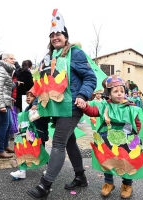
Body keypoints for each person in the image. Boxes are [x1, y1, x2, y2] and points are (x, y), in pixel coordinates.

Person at [26, 9, 97, 199]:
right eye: (52, 35)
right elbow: (43, 81)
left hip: (72, 106)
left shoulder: (76, 54)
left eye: (59, 34)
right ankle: (81, 176)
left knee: (58, 143)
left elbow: (90, 78)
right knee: (70, 141)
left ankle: (45, 186)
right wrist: (33, 93)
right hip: (56, 107)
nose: (55, 37)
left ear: (66, 37)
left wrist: (83, 95)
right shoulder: (49, 58)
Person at [79, 75, 143, 199]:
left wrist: (136, 135)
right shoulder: (105, 106)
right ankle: (108, 182)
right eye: (115, 91)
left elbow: (138, 123)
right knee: (108, 159)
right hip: (108, 139)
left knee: (126, 161)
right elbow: (93, 111)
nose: (119, 94)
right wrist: (84, 106)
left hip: (126, 140)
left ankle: (127, 184)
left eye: (122, 91)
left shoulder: (131, 107)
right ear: (109, 94)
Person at [10, 89, 50, 179]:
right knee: (23, 150)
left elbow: (44, 120)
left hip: (39, 134)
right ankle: (22, 170)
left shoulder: (40, 107)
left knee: (41, 152)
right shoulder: (27, 109)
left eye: (31, 96)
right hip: (28, 135)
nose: (28, 97)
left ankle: (51, 168)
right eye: (27, 95)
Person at [0, 53, 16, 158]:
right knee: (5, 125)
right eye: (11, 58)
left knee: (9, 124)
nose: (14, 60)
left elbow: (6, 90)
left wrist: (9, 103)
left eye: (14, 58)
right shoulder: (1, 70)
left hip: (5, 101)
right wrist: (2, 105)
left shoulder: (6, 70)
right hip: (0, 102)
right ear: (5, 59)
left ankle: (5, 146)